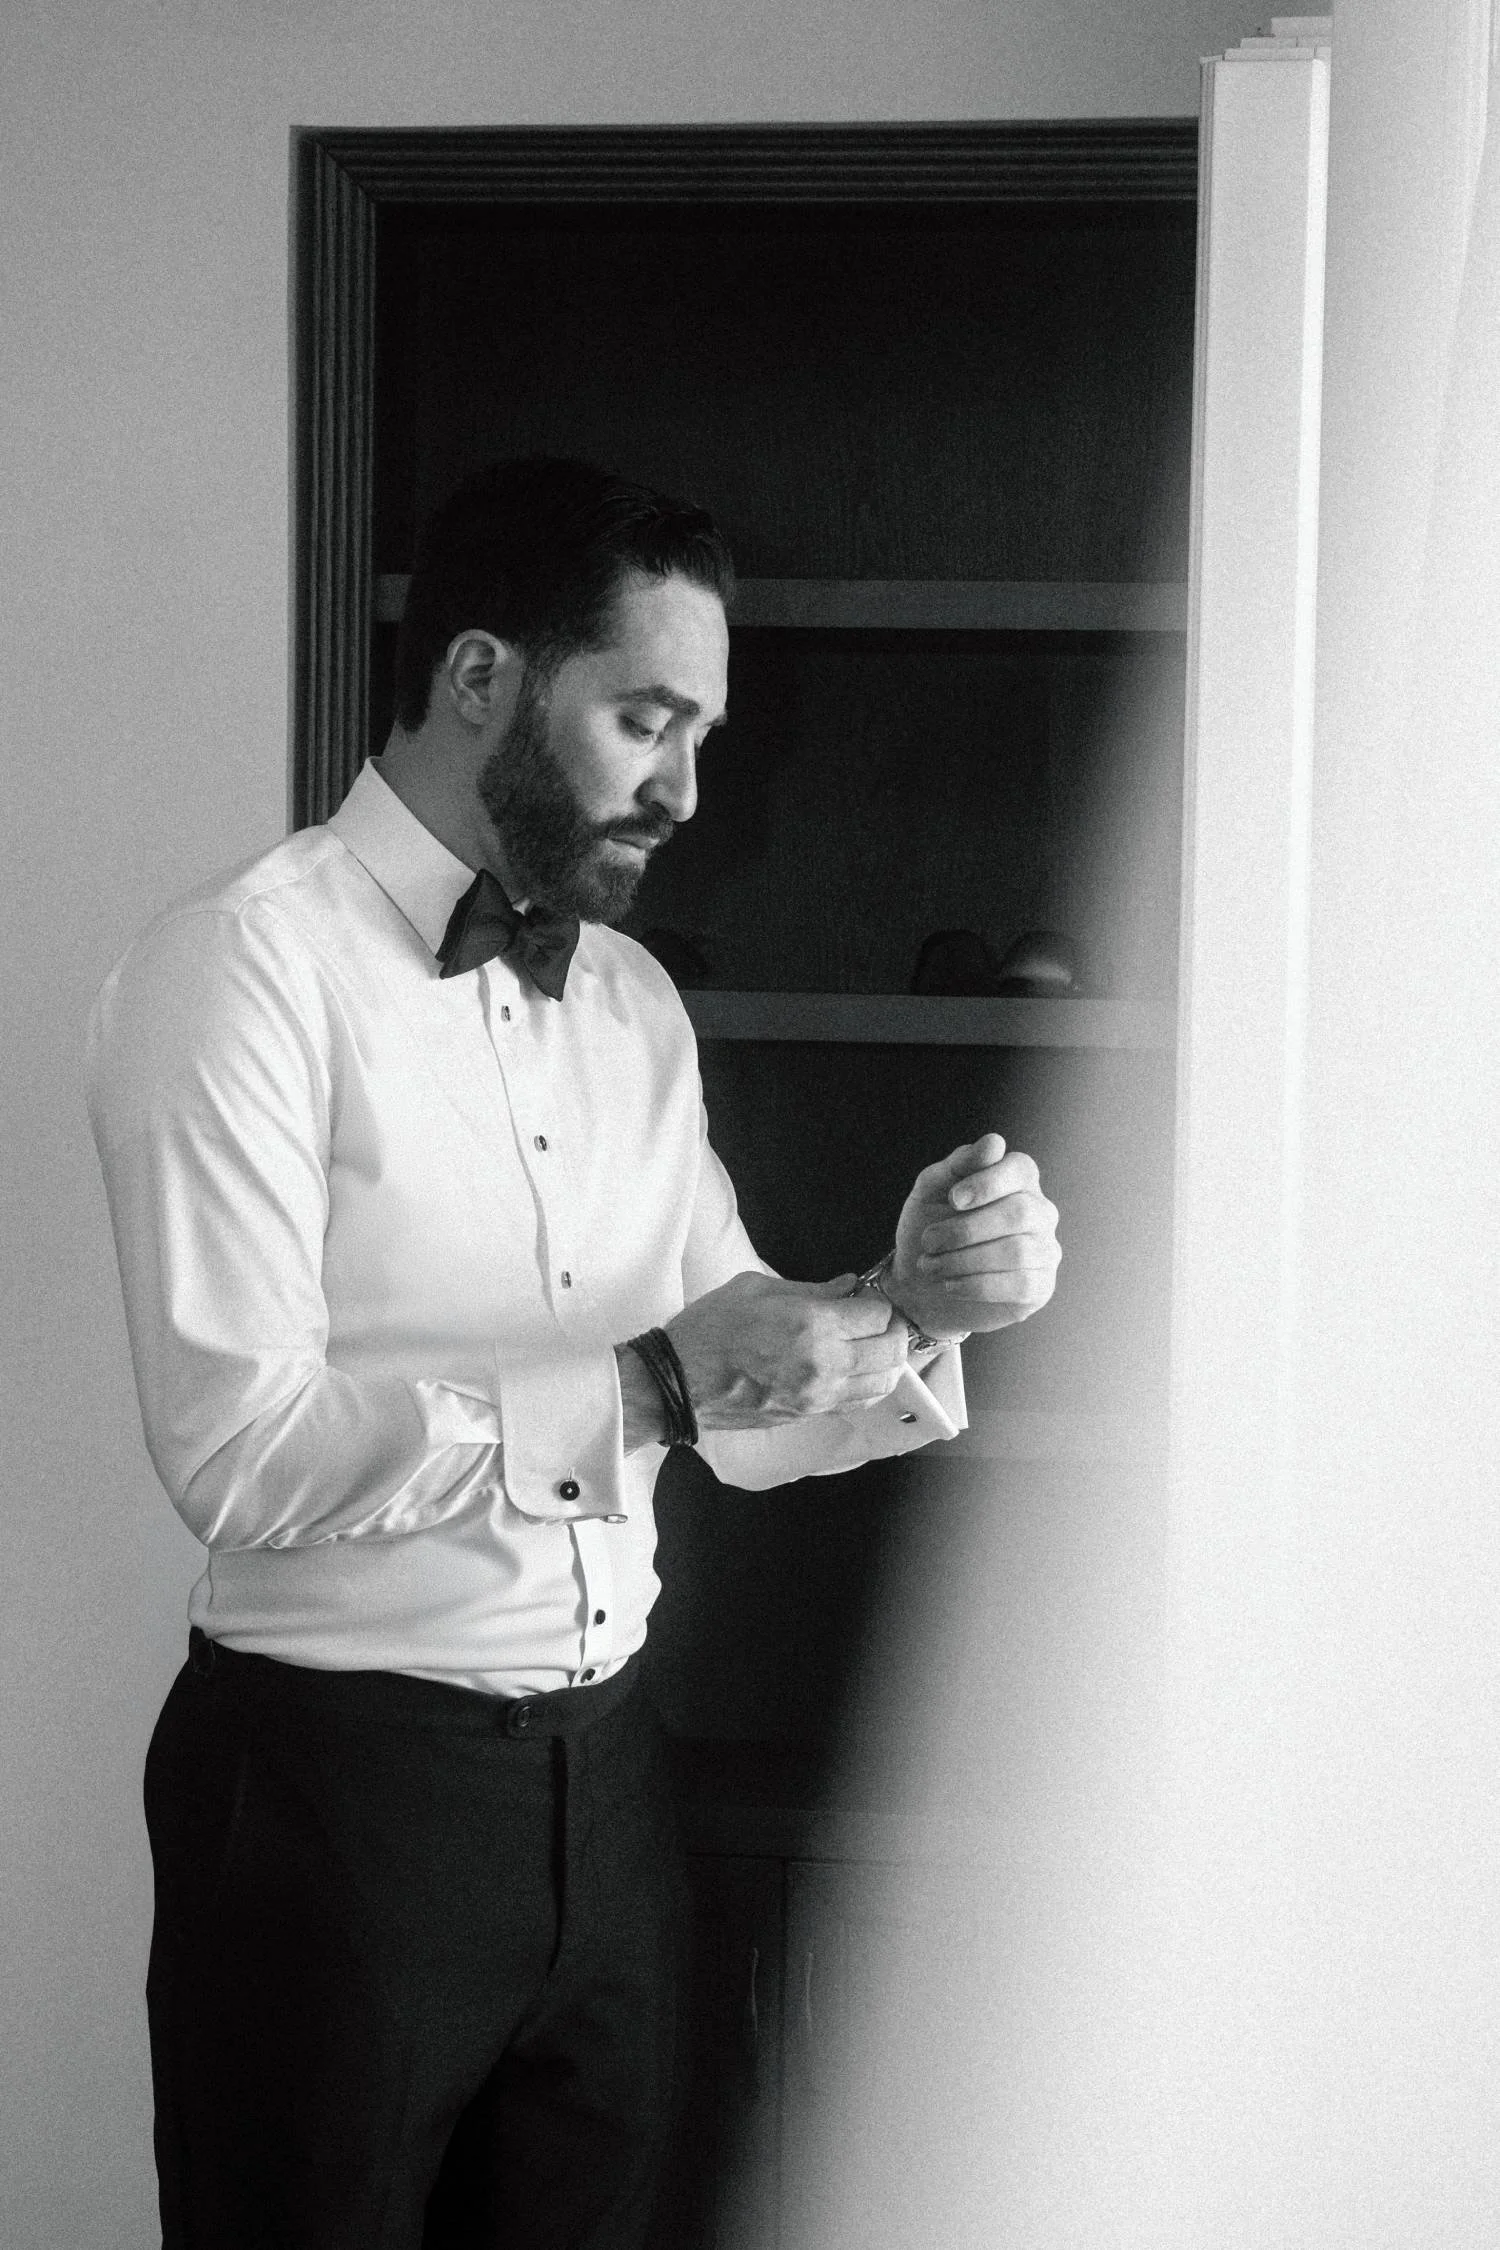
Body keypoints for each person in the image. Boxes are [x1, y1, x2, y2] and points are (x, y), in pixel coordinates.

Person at [85, 457, 1061, 2250]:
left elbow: (735, 1370)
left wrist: (915, 1302)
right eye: (645, 719)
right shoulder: (235, 973)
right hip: (331, 1807)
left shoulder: (632, 1002)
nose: (689, 789)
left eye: (702, 731)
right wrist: (651, 1385)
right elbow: (238, 1450)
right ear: (480, 680)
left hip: (614, 1795)